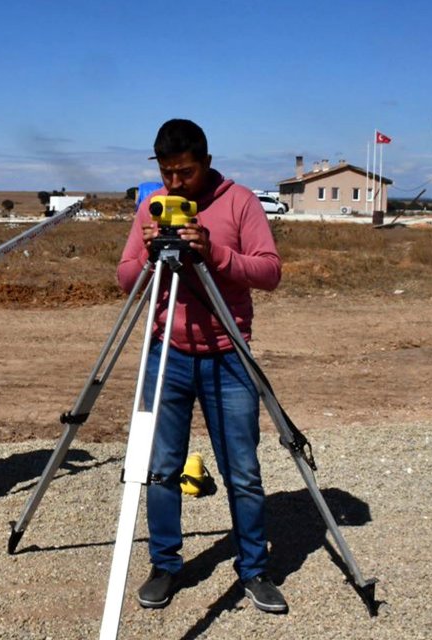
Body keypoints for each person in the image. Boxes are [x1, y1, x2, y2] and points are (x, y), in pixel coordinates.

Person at [116, 119, 286, 612]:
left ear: (206, 163)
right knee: (163, 468)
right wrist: (149, 256)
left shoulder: (240, 202)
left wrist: (213, 253)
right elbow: (126, 279)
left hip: (227, 354)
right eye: (167, 173)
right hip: (166, 352)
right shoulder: (153, 206)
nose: (175, 184)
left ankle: (254, 569)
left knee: (243, 471)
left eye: (185, 173)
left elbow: (269, 271)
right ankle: (165, 564)